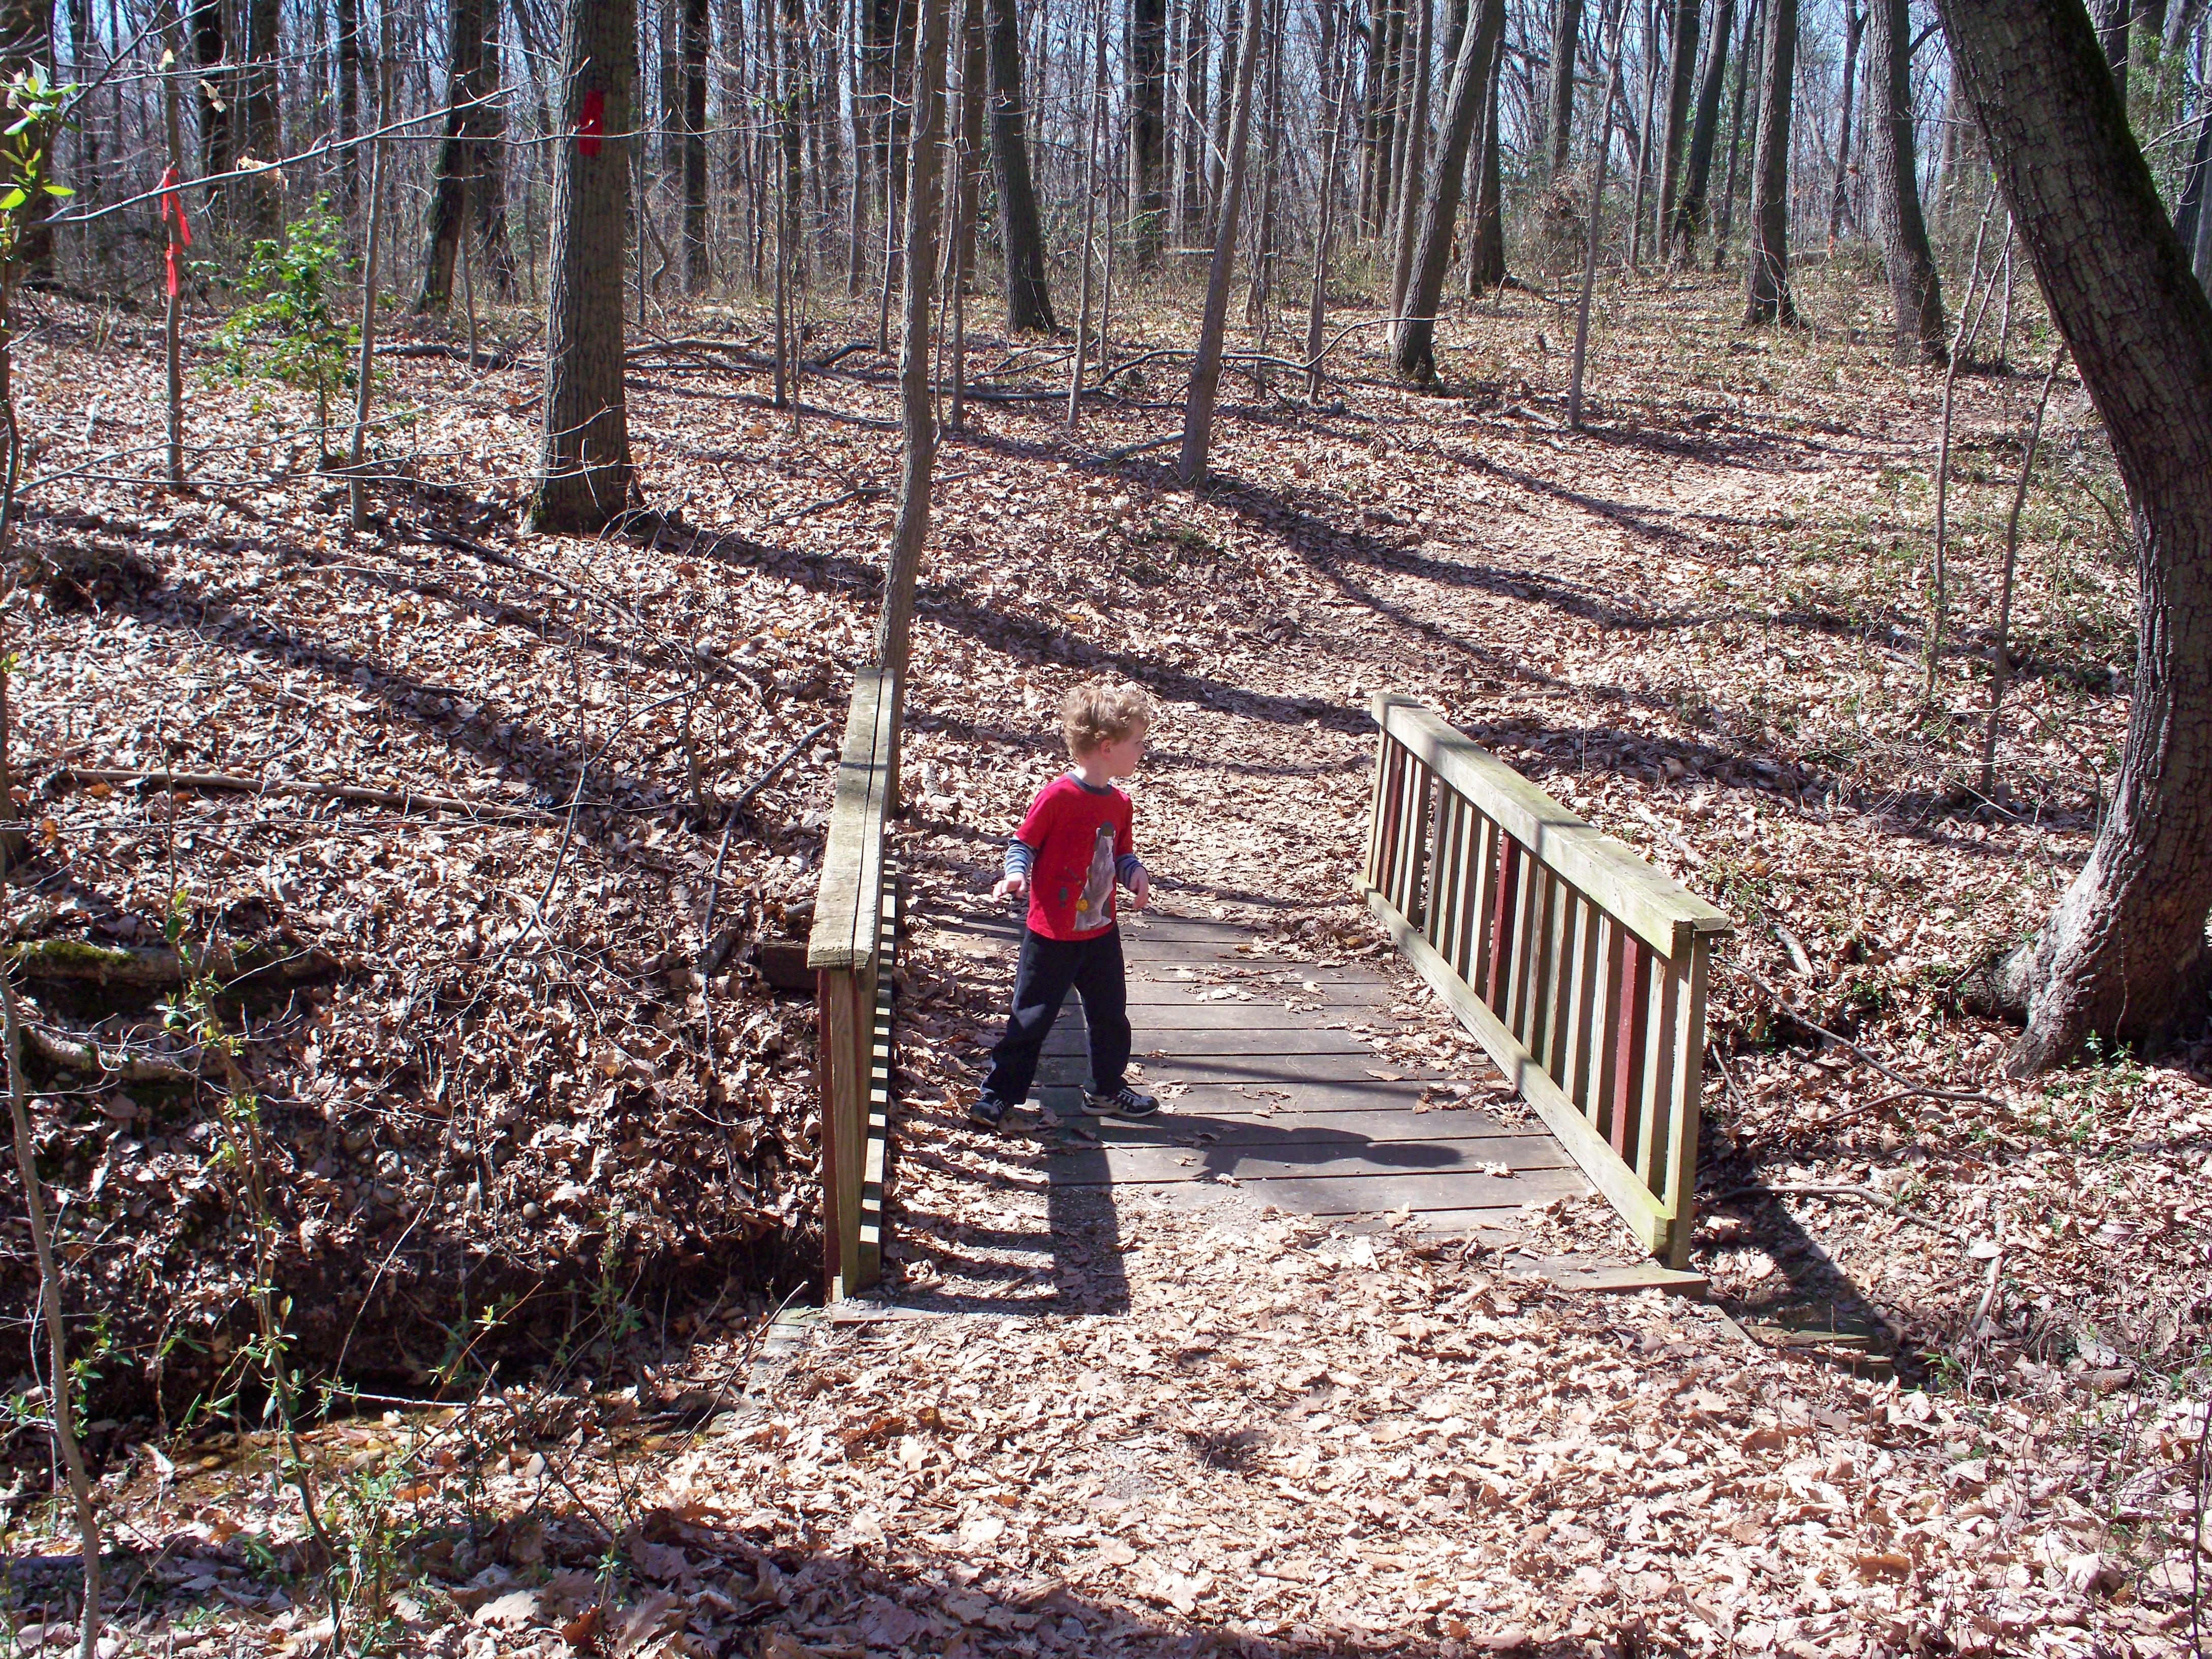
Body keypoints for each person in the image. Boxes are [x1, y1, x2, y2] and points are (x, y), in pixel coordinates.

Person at [968, 680, 1162, 1131]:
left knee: (1111, 1014)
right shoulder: (1057, 797)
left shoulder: (1119, 802)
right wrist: (1015, 874)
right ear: (1107, 746)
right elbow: (1023, 844)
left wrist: (1136, 875)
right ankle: (999, 1095)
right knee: (1031, 1017)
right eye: (1137, 743)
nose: (1141, 752)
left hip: (1100, 932)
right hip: (1051, 935)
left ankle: (1106, 1089)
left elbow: (1121, 854)